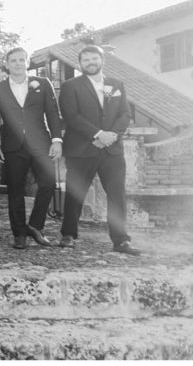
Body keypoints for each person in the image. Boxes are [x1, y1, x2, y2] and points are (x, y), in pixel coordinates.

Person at [57, 45, 140, 255]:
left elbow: (125, 114)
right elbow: (71, 115)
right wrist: (97, 134)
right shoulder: (70, 86)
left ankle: (121, 241)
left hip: (111, 150)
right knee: (76, 194)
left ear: (102, 60)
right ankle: (68, 235)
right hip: (82, 148)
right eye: (86, 60)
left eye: (94, 59)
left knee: (117, 195)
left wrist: (111, 135)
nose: (90, 63)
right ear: (80, 63)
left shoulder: (116, 84)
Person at [0, 47, 62, 249]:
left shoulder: (43, 84)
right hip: (12, 146)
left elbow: (53, 113)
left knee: (48, 183)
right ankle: (19, 234)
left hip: (41, 144)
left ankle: (35, 226)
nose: (18, 63)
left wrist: (56, 140)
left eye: (22, 59)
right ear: (7, 64)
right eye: (14, 60)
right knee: (15, 191)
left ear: (27, 62)